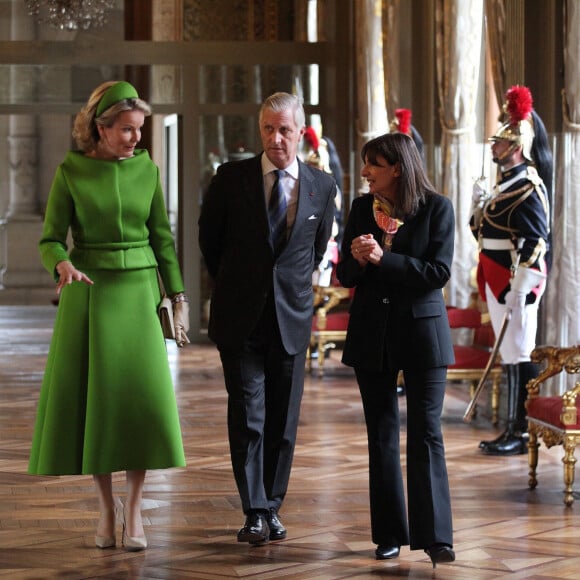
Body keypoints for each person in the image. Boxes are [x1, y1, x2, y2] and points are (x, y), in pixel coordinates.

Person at [28, 80, 189, 552]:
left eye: (139, 129)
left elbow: (162, 238)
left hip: (139, 293)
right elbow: (50, 238)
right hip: (89, 291)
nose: (135, 138)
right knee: (98, 405)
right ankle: (105, 507)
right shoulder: (71, 171)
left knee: (137, 404)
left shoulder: (148, 171)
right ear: (99, 128)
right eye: (125, 129)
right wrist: (60, 262)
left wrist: (177, 295)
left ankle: (135, 508)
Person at [198, 92, 336, 545]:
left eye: (285, 130)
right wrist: (243, 285)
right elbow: (210, 246)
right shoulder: (230, 179)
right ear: (260, 130)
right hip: (240, 318)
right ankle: (254, 510)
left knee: (283, 422)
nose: (276, 139)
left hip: (292, 319)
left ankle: (273, 506)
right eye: (268, 129)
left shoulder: (322, 186)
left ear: (300, 132)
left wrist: (284, 288)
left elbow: (315, 251)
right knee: (249, 416)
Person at [337, 132, 455, 568]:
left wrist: (384, 260)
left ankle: (437, 537)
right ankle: (388, 534)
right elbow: (345, 275)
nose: (365, 171)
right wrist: (356, 255)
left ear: (398, 168)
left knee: (426, 432)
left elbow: (438, 272)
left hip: (423, 334)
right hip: (373, 332)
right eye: (366, 163)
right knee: (382, 435)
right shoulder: (359, 209)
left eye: (373, 164)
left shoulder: (438, 208)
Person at [471, 85, 552, 456]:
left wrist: (522, 284)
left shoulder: (527, 185)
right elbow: (483, 231)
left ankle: (521, 428)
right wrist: (477, 207)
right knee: (509, 351)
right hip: (495, 273)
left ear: (515, 146)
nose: (493, 148)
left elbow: (536, 239)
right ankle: (512, 425)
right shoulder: (504, 185)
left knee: (520, 351)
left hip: (516, 279)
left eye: (499, 143)